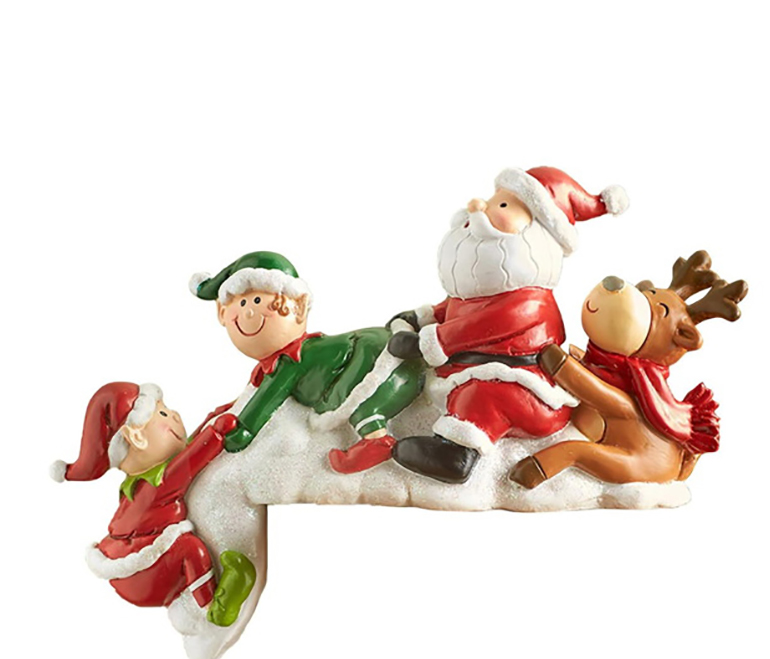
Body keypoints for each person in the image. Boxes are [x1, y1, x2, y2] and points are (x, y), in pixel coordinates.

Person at [387, 165, 629, 483]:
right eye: (492, 200)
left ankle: (456, 455)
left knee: (482, 396)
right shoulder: (484, 289)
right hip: (476, 372)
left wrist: (426, 342)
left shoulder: (527, 301)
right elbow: (456, 309)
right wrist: (423, 317)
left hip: (527, 392)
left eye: (502, 205)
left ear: (536, 234)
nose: (477, 206)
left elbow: (476, 327)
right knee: (470, 391)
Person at [190, 251, 425, 473]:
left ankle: (376, 441)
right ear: (222, 314)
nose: (249, 313)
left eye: (258, 301)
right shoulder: (284, 360)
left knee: (362, 400)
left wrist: (242, 434)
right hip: (392, 355)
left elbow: (266, 400)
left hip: (382, 362)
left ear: (299, 308)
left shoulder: (290, 360)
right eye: (242, 304)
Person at [51, 381, 256, 632]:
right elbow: (189, 462)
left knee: (186, 545)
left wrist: (223, 411)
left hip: (135, 561)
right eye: (163, 414)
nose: (175, 415)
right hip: (139, 573)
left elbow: (191, 444)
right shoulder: (154, 485)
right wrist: (217, 434)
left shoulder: (143, 480)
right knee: (190, 549)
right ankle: (213, 608)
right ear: (137, 437)